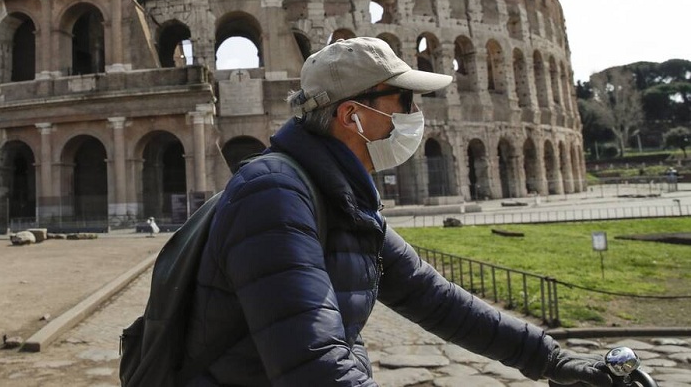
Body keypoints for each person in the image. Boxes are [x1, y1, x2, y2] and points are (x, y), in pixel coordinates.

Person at [183, 37, 612, 386]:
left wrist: (550, 359)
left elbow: (431, 296)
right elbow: (315, 365)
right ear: (353, 115)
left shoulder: (337, 192)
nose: (416, 113)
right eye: (404, 101)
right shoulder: (276, 195)